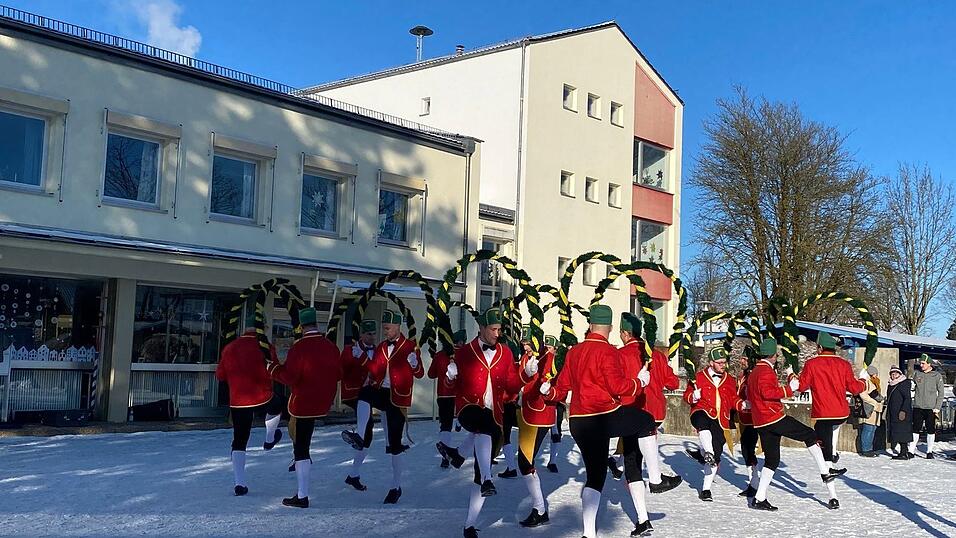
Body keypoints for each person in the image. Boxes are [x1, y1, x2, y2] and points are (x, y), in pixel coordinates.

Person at [541, 305, 674, 538]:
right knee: (645, 420)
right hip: (603, 417)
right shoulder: (609, 351)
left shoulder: (574, 352)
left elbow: (560, 390)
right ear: (611, 328)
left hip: (579, 422)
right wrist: (639, 382)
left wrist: (547, 393)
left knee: (595, 475)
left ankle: (589, 534)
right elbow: (618, 387)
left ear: (590, 325)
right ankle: (655, 478)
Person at [438, 308, 523, 538]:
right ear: (482, 329)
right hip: (468, 407)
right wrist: (450, 376)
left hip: (493, 413)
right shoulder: (465, 353)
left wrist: (527, 373)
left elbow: (513, 386)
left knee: (484, 436)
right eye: (493, 329)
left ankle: (469, 524)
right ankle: (487, 477)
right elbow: (450, 387)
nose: (497, 334)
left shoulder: (505, 353)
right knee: (482, 426)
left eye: (499, 330)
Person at [746, 338, 844, 512]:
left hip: (761, 421)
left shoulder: (755, 371)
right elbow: (768, 392)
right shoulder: (765, 371)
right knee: (810, 434)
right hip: (773, 417)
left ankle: (759, 498)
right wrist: (789, 389)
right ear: (773, 355)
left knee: (772, 460)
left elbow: (755, 393)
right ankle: (825, 472)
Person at [346, 309, 424, 504]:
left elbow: (421, 373)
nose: (385, 332)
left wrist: (414, 364)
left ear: (398, 327)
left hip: (397, 398)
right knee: (364, 394)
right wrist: (362, 357)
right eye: (384, 328)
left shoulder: (410, 347)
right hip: (381, 391)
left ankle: (396, 486)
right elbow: (374, 369)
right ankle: (360, 435)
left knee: (395, 445)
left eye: (388, 328)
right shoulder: (381, 346)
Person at [267, 307, 342, 508]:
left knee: (301, 448)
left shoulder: (298, 348)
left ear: (301, 326)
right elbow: (339, 373)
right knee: (302, 444)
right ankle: (301, 487)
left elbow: (290, 377)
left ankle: (302, 495)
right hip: (323, 402)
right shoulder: (330, 346)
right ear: (316, 324)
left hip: (302, 403)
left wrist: (272, 369)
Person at [795, 332, 865, 509]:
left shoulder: (812, 363)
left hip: (823, 414)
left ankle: (832, 489)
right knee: (833, 428)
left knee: (822, 452)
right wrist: (864, 380)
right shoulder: (844, 364)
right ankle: (832, 454)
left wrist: (791, 375)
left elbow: (801, 386)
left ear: (819, 347)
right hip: (840, 413)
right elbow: (855, 388)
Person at [617, 312, 683, 496]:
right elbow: (673, 383)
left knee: (633, 458)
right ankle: (647, 477)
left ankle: (639, 477)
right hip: (655, 413)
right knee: (638, 450)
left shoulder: (620, 355)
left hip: (631, 410)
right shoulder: (657, 355)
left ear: (625, 333)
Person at [215, 327, 283, 496]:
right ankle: (269, 438)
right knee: (277, 405)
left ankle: (239, 483)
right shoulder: (264, 346)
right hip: (262, 395)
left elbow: (220, 375)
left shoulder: (230, 347)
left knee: (239, 440)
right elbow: (274, 370)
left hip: (238, 400)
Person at [684, 347, 745, 501]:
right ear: (711, 363)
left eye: (724, 362)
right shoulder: (698, 377)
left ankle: (706, 489)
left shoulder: (730, 380)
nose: (723, 365)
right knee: (702, 422)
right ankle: (708, 452)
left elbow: (732, 399)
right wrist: (694, 396)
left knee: (716, 456)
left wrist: (742, 405)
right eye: (719, 363)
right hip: (701, 411)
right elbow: (687, 397)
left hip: (721, 418)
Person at [513, 334, 558, 528]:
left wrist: (548, 389)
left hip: (539, 416)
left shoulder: (549, 359)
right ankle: (539, 509)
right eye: (523, 345)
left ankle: (539, 509)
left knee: (524, 461)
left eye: (528, 345)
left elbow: (557, 385)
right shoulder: (525, 358)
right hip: (525, 413)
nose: (525, 349)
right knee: (525, 462)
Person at [340, 319, 377, 490]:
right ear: (362, 334)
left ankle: (354, 474)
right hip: (354, 393)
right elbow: (341, 370)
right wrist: (352, 358)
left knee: (369, 432)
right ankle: (359, 437)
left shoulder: (376, 351)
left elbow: (375, 369)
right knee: (367, 427)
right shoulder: (350, 350)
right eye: (369, 334)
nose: (372, 337)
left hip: (371, 394)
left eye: (374, 334)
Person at [427, 329, 467, 468]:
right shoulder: (464, 354)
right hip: (460, 394)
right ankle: (459, 422)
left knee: (445, 426)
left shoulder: (439, 355)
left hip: (443, 395)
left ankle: (445, 456)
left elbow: (431, 374)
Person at [497, 339, 528, 479]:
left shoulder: (506, 367)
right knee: (504, 436)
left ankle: (511, 467)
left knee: (504, 437)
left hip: (504, 404)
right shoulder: (516, 366)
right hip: (510, 404)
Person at [735, 351, 761, 500]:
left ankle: (755, 483)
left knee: (748, 449)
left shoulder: (752, 376)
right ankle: (753, 482)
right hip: (744, 417)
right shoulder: (743, 375)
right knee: (746, 450)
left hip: (753, 419)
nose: (741, 360)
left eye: (745, 358)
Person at [910, 354, 945, 459]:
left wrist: (937, 407)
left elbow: (941, 393)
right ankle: (911, 450)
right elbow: (912, 388)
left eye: (923, 363)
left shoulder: (937, 376)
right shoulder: (917, 374)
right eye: (920, 363)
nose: (921, 365)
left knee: (930, 429)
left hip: (931, 408)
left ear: (929, 364)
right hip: (918, 406)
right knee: (915, 429)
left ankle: (929, 451)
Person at [887, 365, 914, 460]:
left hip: (901, 413)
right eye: (892, 374)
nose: (893, 375)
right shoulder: (891, 384)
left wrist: (903, 410)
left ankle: (903, 453)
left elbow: (907, 398)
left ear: (899, 374)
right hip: (894, 412)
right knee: (898, 432)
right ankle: (903, 452)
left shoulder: (903, 383)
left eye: (895, 373)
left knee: (903, 432)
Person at [857, 365, 883, 457]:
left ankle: (869, 448)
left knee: (872, 428)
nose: (876, 375)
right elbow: (863, 395)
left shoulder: (875, 382)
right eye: (875, 373)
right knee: (868, 429)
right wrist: (874, 402)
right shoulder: (866, 382)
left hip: (875, 409)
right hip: (869, 409)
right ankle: (866, 449)